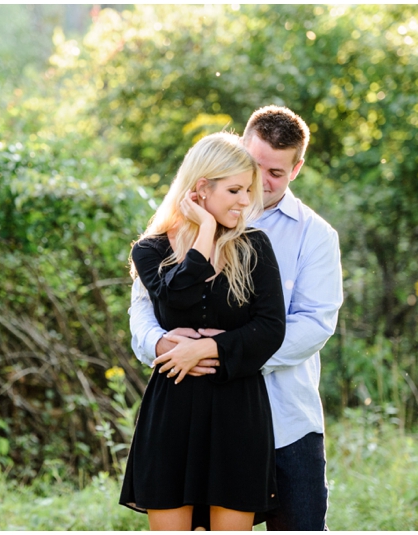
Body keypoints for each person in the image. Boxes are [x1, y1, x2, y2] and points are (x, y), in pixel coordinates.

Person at [129, 105, 344, 531]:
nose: (259, 185)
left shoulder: (312, 235)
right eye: (252, 167)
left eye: (276, 174)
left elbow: (313, 325)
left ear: (296, 169)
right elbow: (145, 307)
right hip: (186, 409)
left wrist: (214, 353)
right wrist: (165, 347)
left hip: (284, 418)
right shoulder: (172, 230)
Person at [119, 132, 287, 531]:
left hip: (237, 411)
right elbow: (175, 300)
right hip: (172, 409)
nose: (246, 201)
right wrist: (206, 231)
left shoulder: (255, 246)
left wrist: (207, 349)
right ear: (200, 189)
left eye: (248, 190)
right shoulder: (150, 250)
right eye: (235, 190)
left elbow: (270, 329)